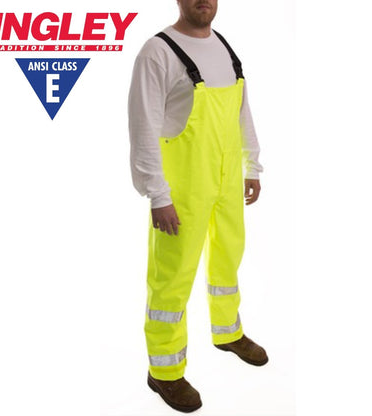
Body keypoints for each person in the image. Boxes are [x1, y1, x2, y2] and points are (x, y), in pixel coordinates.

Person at [128, 0, 268, 412]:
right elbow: (142, 127)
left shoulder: (224, 46)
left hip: (227, 179)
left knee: (228, 257)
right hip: (183, 187)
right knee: (172, 274)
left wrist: (251, 165)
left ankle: (228, 331)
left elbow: (242, 112)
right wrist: (158, 195)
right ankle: (164, 371)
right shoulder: (157, 52)